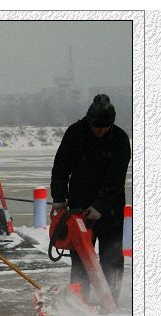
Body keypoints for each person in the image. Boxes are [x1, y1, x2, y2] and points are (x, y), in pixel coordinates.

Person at [50, 94, 131, 303]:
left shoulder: (120, 140)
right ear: (89, 120)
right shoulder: (74, 134)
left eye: (106, 127)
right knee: (80, 258)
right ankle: (80, 299)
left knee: (111, 255)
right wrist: (59, 199)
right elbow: (60, 169)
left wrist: (99, 207)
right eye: (97, 126)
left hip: (110, 207)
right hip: (78, 206)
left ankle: (111, 299)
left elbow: (115, 179)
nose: (101, 131)